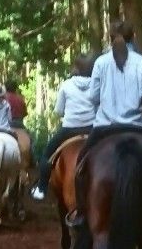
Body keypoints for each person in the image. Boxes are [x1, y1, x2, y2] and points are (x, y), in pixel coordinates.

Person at [68, 20, 142, 229]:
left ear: (109, 38)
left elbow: (93, 97)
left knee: (81, 165)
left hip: (105, 126)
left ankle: (80, 211)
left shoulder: (100, 63)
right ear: (133, 37)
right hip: (138, 126)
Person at [29, 53, 97, 201]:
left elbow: (59, 111)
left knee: (46, 155)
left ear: (76, 68)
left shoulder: (66, 85)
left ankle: (41, 188)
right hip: (93, 129)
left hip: (69, 129)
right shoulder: (96, 84)